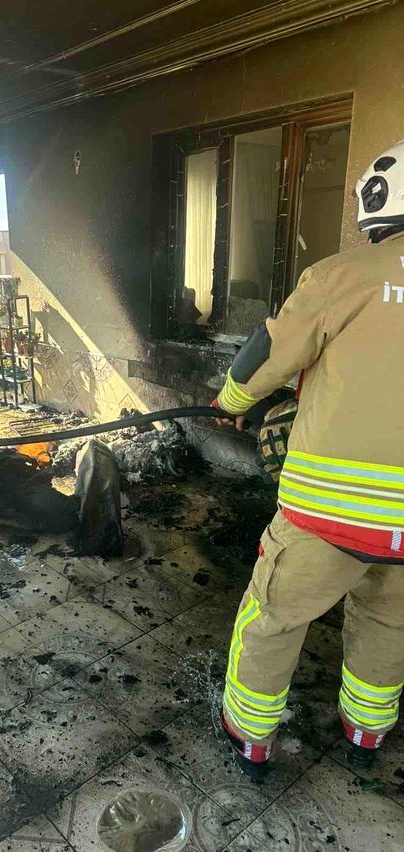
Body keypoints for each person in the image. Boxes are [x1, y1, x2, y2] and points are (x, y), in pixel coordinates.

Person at [213, 140, 404, 780]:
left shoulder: (340, 277)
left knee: (270, 618)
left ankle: (251, 735)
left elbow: (272, 349)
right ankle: (367, 732)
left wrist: (232, 400)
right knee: (387, 623)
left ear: (374, 216)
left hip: (330, 514)